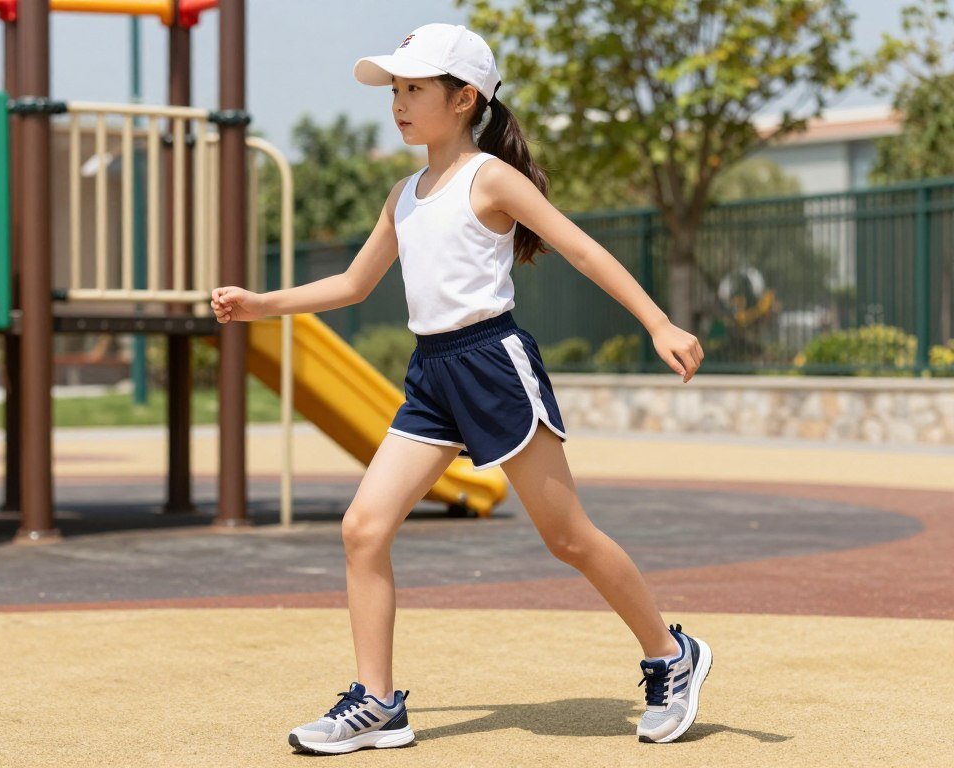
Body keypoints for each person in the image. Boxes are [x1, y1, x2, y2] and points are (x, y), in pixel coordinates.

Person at [211, 22, 711, 756]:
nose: (399, 103)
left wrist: (659, 322)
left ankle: (671, 653)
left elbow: (578, 247)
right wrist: (263, 304)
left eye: (415, 88)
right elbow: (353, 284)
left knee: (567, 537)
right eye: (395, 90)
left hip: (491, 365)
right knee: (363, 529)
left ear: (464, 97)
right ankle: (378, 702)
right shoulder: (404, 194)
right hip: (432, 375)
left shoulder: (491, 179)